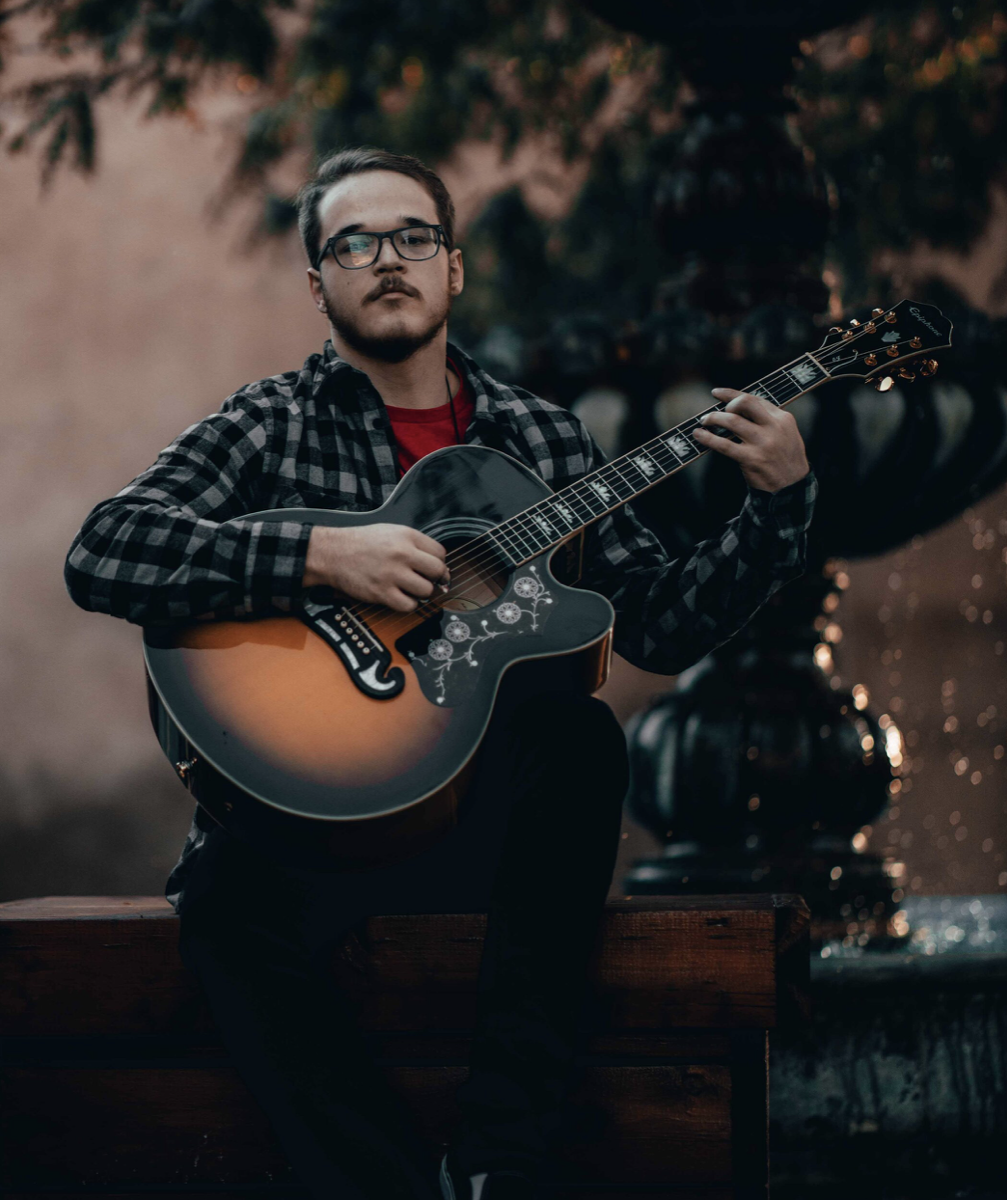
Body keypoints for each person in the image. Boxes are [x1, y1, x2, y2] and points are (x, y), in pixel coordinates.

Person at [64, 147, 816, 1200]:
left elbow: (660, 627)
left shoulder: (543, 439)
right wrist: (318, 556)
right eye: (353, 241)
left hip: (480, 824)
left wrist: (776, 504)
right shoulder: (269, 421)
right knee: (223, 909)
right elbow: (105, 550)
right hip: (307, 822)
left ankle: (502, 1161)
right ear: (316, 280)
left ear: (453, 269)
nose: (387, 260)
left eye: (413, 236)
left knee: (578, 739)